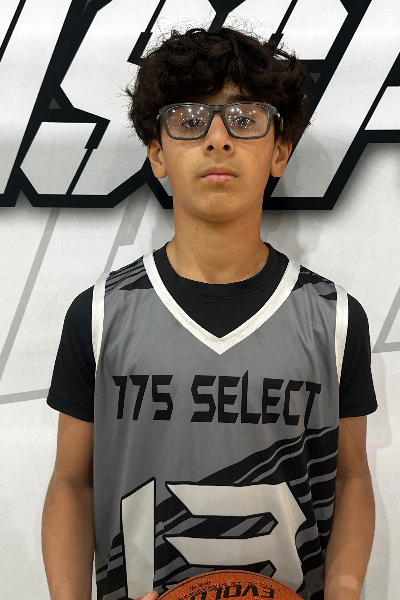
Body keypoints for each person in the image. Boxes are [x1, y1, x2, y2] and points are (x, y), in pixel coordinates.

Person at [41, 26, 377, 600]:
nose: (218, 139)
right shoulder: (98, 315)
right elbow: (72, 483)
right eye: (189, 119)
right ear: (157, 152)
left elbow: (350, 477)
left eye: (244, 118)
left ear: (279, 151)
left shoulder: (335, 319)